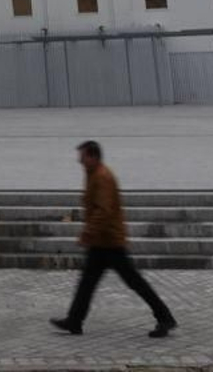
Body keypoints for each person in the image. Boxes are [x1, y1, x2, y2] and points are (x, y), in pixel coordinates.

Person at [52, 140, 177, 338]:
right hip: (101, 242)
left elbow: (103, 211)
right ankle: (74, 320)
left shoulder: (102, 177)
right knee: (87, 282)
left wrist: (87, 233)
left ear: (93, 157)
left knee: (135, 282)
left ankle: (165, 317)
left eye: (82, 156)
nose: (79, 161)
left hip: (110, 242)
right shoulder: (93, 174)